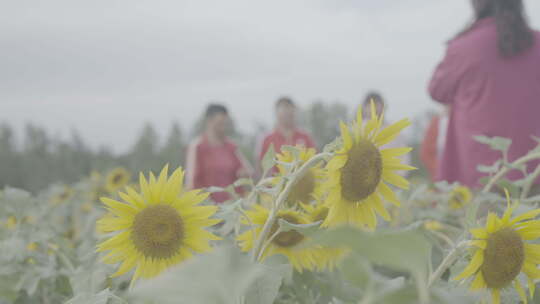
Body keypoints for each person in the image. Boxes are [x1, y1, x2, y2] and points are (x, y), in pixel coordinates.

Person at [428, 0, 540, 188]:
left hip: (482, 174)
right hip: (532, 171)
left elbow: (437, 90)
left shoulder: (464, 46)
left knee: (481, 217)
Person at [185, 104, 253, 203]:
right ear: (209, 121)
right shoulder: (197, 147)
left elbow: (248, 171)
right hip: (208, 209)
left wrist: (244, 174)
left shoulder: (231, 147)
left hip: (233, 208)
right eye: (220, 123)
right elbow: (191, 183)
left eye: (225, 123)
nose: (223, 127)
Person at [257, 97, 316, 171]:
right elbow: (261, 167)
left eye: (290, 109)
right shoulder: (267, 139)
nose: (288, 113)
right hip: (277, 181)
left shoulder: (305, 136)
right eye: (284, 110)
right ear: (277, 114)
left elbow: (315, 160)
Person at [361, 92, 412, 176]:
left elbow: (404, 156)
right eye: (370, 105)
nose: (374, 108)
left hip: (391, 177)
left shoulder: (394, 130)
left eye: (377, 104)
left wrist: (399, 175)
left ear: (384, 107)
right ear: (364, 108)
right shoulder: (357, 130)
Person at [420, 106, 450, 181]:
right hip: (439, 174)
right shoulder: (437, 122)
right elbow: (425, 152)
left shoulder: (465, 121)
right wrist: (438, 171)